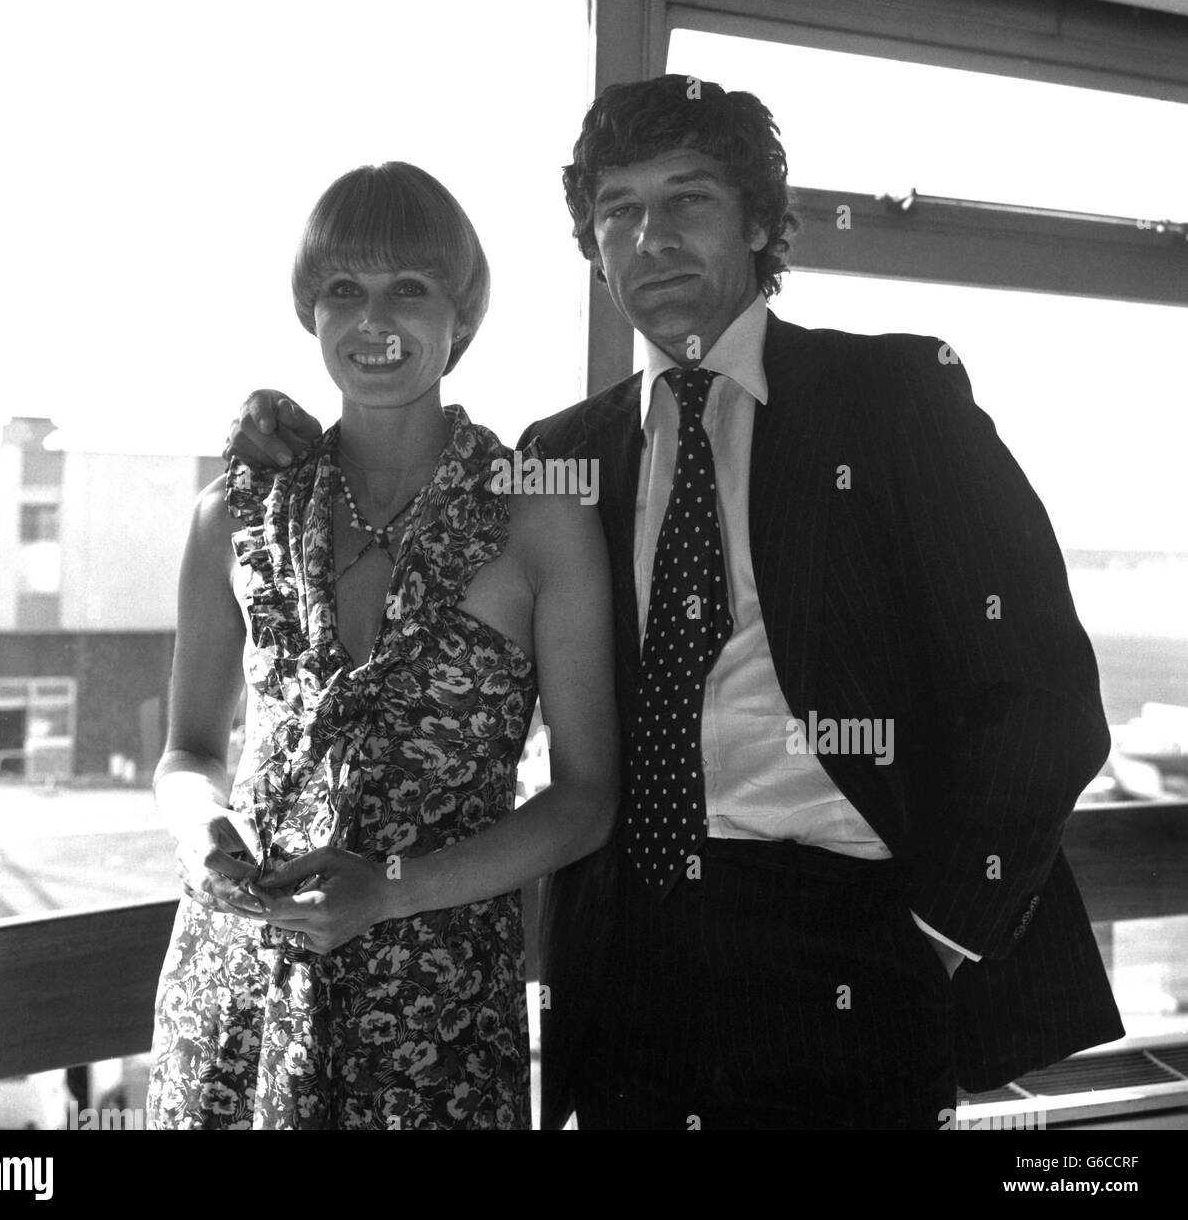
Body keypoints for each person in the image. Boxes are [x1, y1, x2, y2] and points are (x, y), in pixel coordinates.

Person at [224, 77, 1123, 1130]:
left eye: (686, 200)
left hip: (849, 940)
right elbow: (414, 544)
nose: (649, 238)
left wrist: (933, 933)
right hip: (626, 958)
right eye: (617, 210)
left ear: (755, 220)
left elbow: (1043, 697)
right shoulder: (559, 457)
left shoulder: (892, 398)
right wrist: (278, 440)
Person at [146, 161, 618, 1130]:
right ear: (309, 312)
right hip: (236, 990)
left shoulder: (539, 512)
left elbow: (586, 799)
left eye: (408, 286)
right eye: (343, 290)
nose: (374, 319)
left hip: (434, 1011)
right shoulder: (232, 513)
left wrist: (388, 893)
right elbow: (188, 753)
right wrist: (201, 836)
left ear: (461, 311)